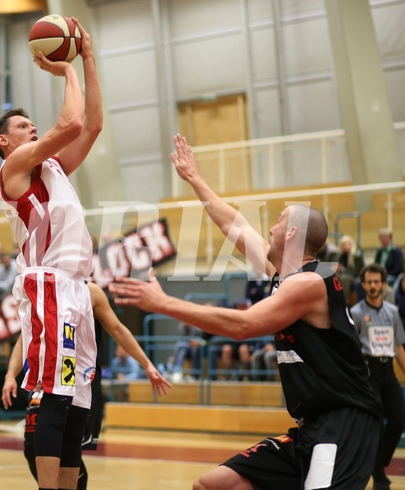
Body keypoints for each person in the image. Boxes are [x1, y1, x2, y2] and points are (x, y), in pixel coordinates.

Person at [109, 133, 382, 490]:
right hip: (309, 426)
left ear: (294, 233)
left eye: (279, 221)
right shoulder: (286, 276)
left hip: (344, 423)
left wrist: (163, 303)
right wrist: (194, 178)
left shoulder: (311, 283)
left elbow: (242, 325)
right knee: (214, 485)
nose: (270, 228)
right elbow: (234, 226)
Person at [0, 16, 102, 490]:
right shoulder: (16, 168)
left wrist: (89, 58)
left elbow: (91, 125)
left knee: (78, 400)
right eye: (22, 124)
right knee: (55, 396)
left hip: (76, 289)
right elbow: (71, 121)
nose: (31, 126)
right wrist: (67, 69)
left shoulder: (53, 167)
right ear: (5, 141)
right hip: (48, 283)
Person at [1, 281, 170, 490]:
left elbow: (118, 329)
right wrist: (11, 375)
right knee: (32, 445)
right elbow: (25, 336)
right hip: (47, 377)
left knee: (70, 446)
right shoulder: (43, 284)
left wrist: (147, 364)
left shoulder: (91, 292)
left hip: (80, 379)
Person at [350, 263, 405, 490]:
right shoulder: (355, 313)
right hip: (368, 372)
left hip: (388, 371)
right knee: (376, 426)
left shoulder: (392, 312)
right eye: (368, 282)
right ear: (363, 285)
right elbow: (351, 351)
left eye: (376, 282)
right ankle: (380, 478)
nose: (372, 286)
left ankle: (378, 463)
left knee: (399, 419)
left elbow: (399, 346)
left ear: (382, 284)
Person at [335, 234, 364, 304]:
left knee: (344, 279)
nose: (346, 246)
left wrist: (342, 269)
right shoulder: (341, 255)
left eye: (348, 244)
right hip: (343, 275)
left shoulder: (357, 256)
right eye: (344, 244)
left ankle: (344, 300)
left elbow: (357, 272)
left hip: (355, 276)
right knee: (335, 277)